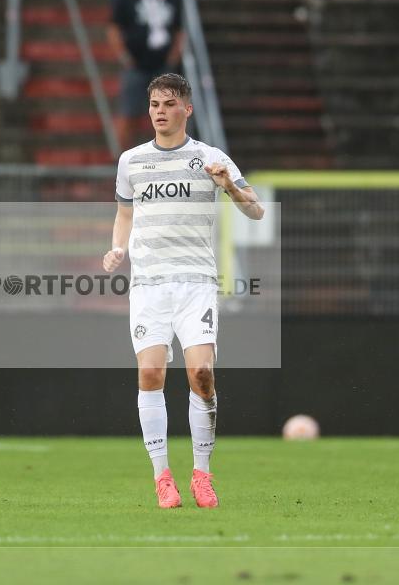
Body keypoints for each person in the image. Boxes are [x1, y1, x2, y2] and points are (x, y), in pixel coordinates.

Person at [101, 73, 264, 509]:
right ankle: (162, 478)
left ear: (186, 109)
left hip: (195, 283)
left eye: (169, 103)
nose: (159, 110)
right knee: (150, 375)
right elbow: (123, 214)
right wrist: (118, 248)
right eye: (154, 103)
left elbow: (256, 211)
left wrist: (227, 183)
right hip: (149, 285)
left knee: (202, 375)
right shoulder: (131, 161)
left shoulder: (210, 157)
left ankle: (202, 475)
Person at [108, 0, 185, 151]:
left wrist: (173, 57)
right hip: (136, 66)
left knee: (166, 114)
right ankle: (119, 159)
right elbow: (114, 28)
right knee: (129, 113)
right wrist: (125, 58)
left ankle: (163, 155)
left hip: (163, 67)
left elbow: (179, 30)